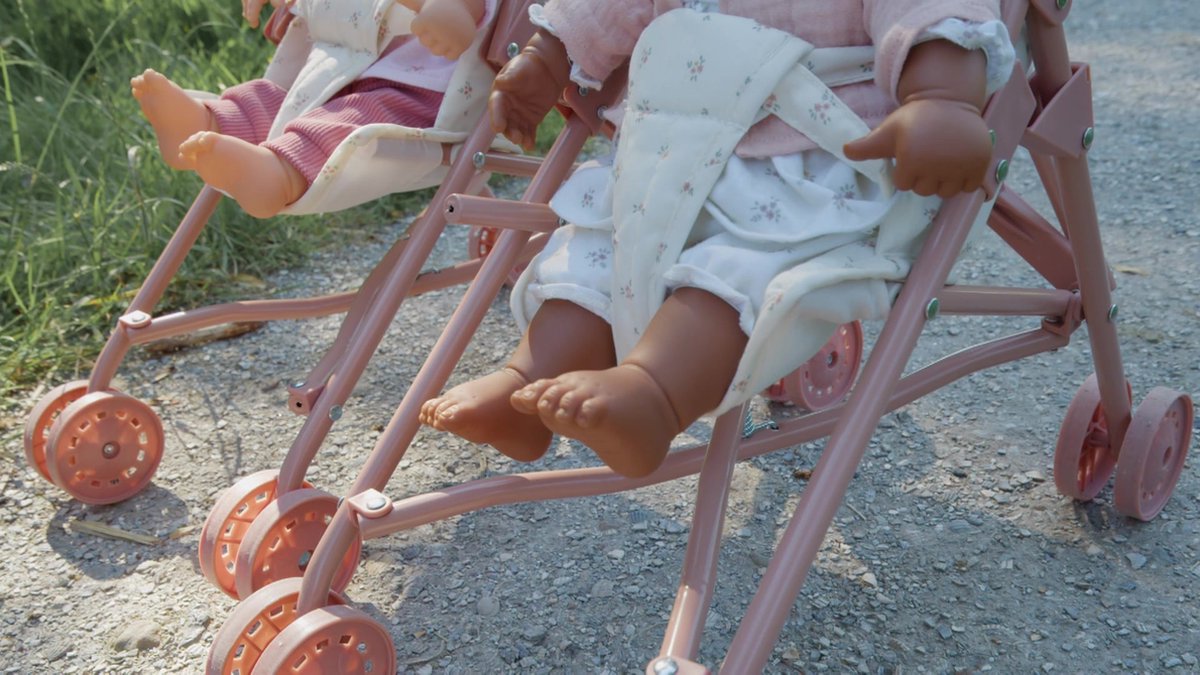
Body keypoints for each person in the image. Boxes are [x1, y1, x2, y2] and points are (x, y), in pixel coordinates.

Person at [420, 0, 1016, 478]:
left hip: (805, 164)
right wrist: (547, 57)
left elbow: (930, 12)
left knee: (734, 273)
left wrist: (941, 98)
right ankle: (526, 387)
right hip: (671, 152)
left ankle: (653, 396)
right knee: (599, 252)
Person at [130, 0, 490, 218]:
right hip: (351, 61)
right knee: (285, 99)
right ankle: (209, 121)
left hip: (419, 93)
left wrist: (452, 11)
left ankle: (279, 175)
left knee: (347, 122)